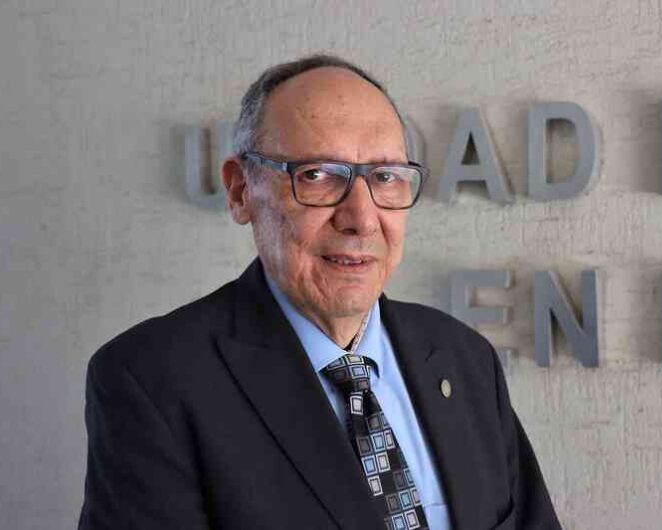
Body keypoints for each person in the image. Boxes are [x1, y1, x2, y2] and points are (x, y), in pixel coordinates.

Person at [78, 54, 562, 530]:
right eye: (317, 175)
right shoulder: (153, 380)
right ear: (241, 191)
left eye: (385, 177)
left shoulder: (464, 358)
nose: (361, 219)